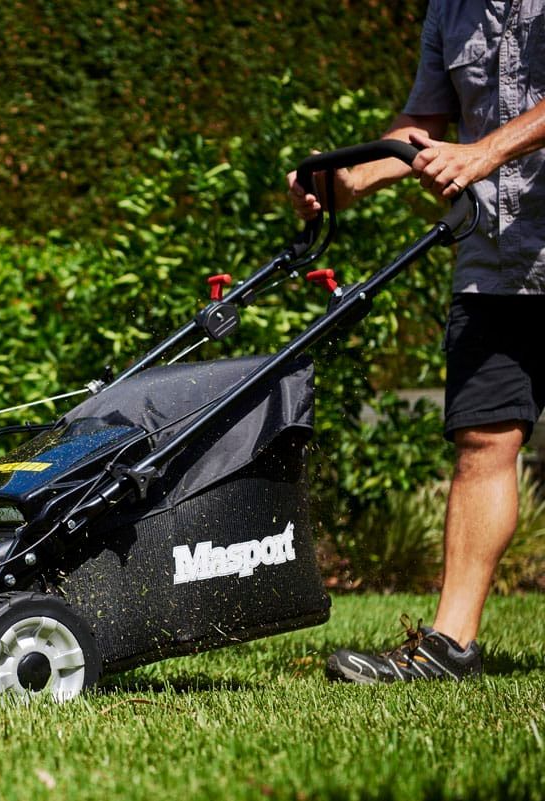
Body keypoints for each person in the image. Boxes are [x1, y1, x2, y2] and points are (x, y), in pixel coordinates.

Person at [288, 1, 545, 682]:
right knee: (483, 439)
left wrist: (484, 150)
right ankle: (449, 646)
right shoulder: (450, 8)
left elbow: (470, 146)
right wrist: (347, 177)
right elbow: (425, 127)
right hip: (498, 260)